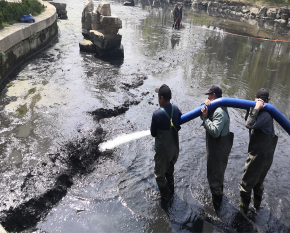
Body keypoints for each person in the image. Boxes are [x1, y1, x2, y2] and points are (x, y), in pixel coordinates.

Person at [240, 88, 278, 212]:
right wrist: (250, 108)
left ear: (265, 102)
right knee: (258, 184)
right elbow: (248, 120)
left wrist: (256, 108)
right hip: (264, 156)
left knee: (246, 184)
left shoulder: (266, 114)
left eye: (259, 101)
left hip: (259, 157)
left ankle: (243, 212)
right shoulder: (262, 112)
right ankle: (257, 209)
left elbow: (249, 124)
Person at [200, 85, 234, 210]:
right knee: (218, 177)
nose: (207, 97)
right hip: (218, 149)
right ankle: (219, 197)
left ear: (214, 95)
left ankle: (217, 208)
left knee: (214, 178)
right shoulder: (217, 107)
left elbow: (214, 131)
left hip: (218, 152)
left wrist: (205, 119)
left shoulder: (219, 111)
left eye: (209, 95)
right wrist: (204, 108)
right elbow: (203, 113)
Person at [150, 84, 182, 203]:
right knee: (169, 171)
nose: (158, 99)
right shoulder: (176, 109)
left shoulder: (156, 115)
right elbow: (179, 122)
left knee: (159, 176)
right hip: (174, 150)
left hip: (163, 152)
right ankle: (172, 191)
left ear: (161, 98)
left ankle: (166, 197)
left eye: (158, 97)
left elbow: (153, 133)